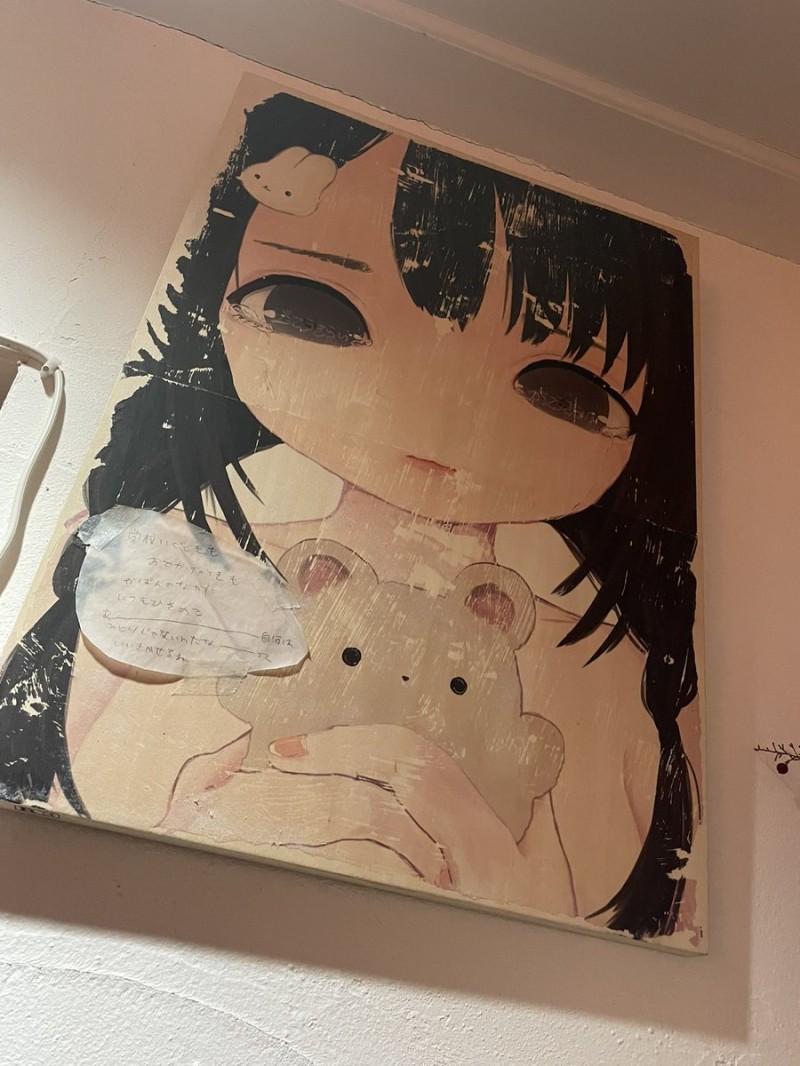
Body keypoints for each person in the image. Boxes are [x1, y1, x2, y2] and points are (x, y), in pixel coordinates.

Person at [0, 92, 699, 940]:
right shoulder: (160, 571)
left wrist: (518, 910)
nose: (441, 408)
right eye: (315, 307)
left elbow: (670, 919)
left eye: (565, 388)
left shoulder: (618, 679)